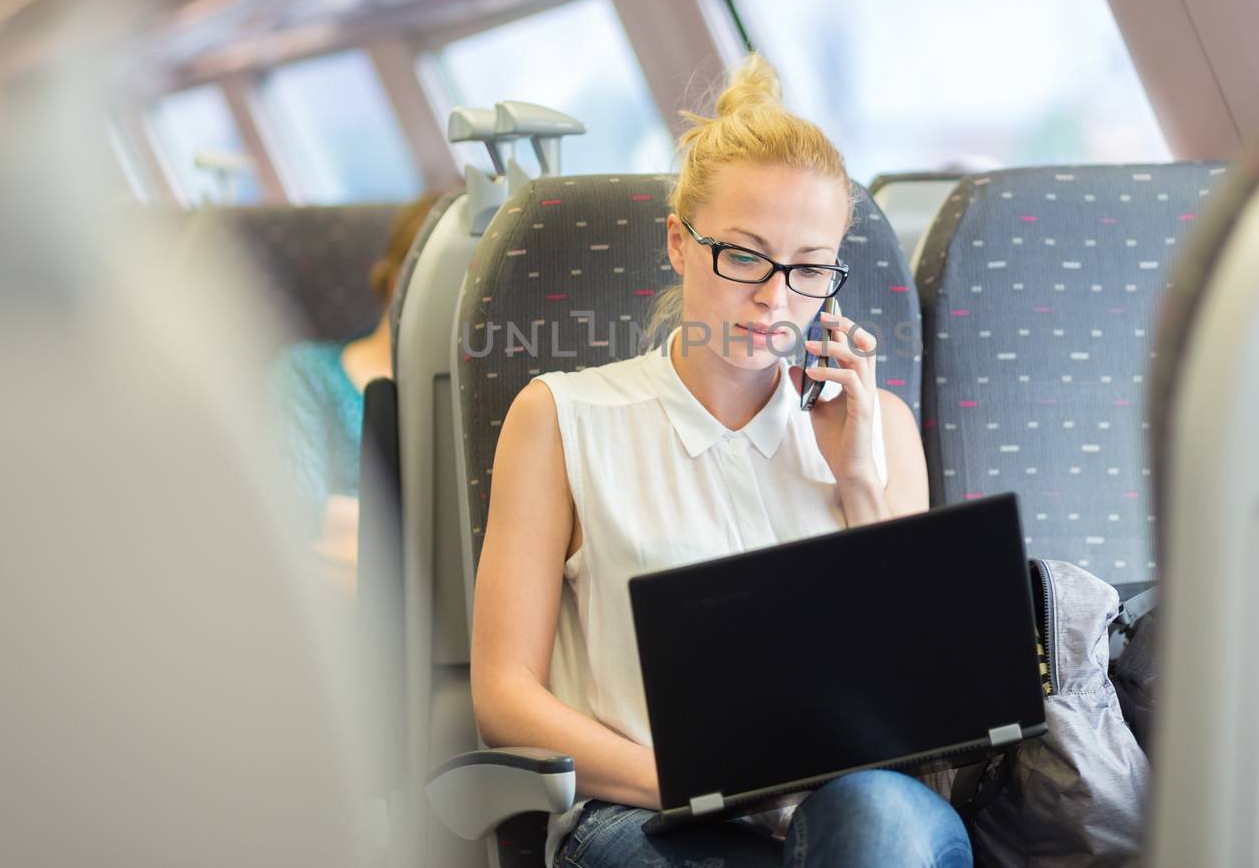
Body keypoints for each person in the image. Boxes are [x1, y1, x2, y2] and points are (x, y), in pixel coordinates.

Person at [470, 55, 972, 868]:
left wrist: (859, 488)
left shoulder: (875, 428)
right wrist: (698, 780)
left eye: (809, 267)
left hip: (851, 808)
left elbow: (919, 704)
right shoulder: (561, 417)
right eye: (743, 256)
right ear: (679, 242)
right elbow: (504, 697)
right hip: (648, 808)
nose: (776, 299)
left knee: (878, 819)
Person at [268, 193, 440, 592]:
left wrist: (354, 524)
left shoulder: (482, 395)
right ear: (400, 281)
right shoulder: (307, 373)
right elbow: (299, 512)